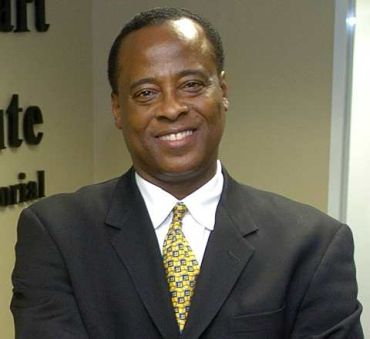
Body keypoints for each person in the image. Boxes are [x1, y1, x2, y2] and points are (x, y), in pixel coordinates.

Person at [11, 7, 363, 339]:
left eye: (191, 85)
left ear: (222, 91)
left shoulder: (312, 245)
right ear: (118, 109)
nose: (172, 108)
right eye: (146, 93)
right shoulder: (56, 233)